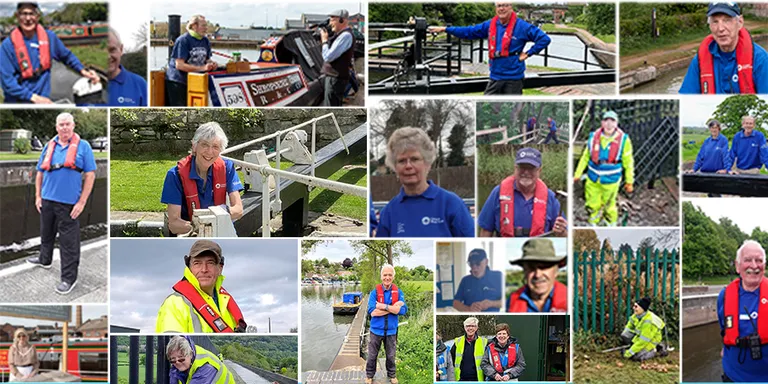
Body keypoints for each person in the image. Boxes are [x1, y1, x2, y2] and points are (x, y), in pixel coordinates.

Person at [26, 113, 96, 294]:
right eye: (61, 124)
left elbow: (90, 175)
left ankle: (68, 278)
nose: (64, 127)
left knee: (69, 243)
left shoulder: (83, 147)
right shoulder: (50, 146)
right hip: (47, 199)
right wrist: (38, 196)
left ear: (73, 126)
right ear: (56, 127)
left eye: (67, 124)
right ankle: (44, 259)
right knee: (46, 233)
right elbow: (40, 173)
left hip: (69, 204)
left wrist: (82, 202)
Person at [427, 2, 550, 95]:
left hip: (513, 77)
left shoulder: (523, 26)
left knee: (512, 108)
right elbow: (469, 32)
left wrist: (529, 53)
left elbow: (544, 39)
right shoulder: (490, 25)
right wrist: (446, 29)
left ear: (511, 7)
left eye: (505, 5)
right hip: (495, 75)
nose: (501, 9)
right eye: (499, 6)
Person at [375, 127, 474, 237]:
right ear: (395, 167)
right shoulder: (389, 213)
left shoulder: (451, 204)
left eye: (414, 159)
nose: (408, 166)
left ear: (427, 163)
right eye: (402, 161)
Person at [0, 2, 99, 103]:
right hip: (18, 102)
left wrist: (83, 70)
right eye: (24, 14)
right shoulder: (7, 46)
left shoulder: (50, 38)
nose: (28, 18)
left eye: (32, 14)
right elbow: (7, 82)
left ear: (37, 16)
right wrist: (34, 98)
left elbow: (67, 56)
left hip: (44, 99)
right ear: (17, 16)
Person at [161, 122, 244, 235]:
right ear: (194, 146)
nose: (209, 152)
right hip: (188, 234)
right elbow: (174, 224)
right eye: (205, 145)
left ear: (221, 150)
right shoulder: (174, 175)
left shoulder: (227, 168)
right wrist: (201, 226)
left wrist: (211, 221)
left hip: (219, 230)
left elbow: (238, 209)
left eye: (215, 147)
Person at [156, 240, 247, 333]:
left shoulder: (226, 302)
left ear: (220, 268)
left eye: (210, 263)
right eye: (197, 263)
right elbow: (174, 344)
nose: (204, 269)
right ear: (189, 268)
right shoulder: (174, 303)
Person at [679, 2, 768, 94]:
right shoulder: (700, 60)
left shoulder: (761, 60)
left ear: (740, 22)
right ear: (710, 26)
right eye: (715, 22)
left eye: (727, 20)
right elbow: (685, 98)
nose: (720, 28)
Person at [478, 147, 567, 237]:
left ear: (539, 171)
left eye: (531, 168)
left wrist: (562, 232)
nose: (526, 172)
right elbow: (486, 230)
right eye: (522, 167)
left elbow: (565, 235)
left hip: (536, 248)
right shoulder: (498, 192)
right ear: (515, 168)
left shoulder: (550, 197)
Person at [717, 240, 768, 382]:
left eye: (759, 260)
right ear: (738, 266)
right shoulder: (725, 296)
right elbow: (724, 328)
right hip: (733, 376)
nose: (754, 265)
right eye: (747, 260)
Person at [573, 110, 634, 226]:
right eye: (606, 120)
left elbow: (628, 162)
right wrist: (577, 174)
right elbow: (585, 157)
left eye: (612, 121)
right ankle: (593, 223)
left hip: (611, 179)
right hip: (593, 178)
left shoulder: (624, 140)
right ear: (602, 123)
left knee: (609, 205)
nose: (609, 124)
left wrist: (629, 181)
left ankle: (611, 225)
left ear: (616, 124)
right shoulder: (593, 137)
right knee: (592, 203)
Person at [366, 264, 407, 384]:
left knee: (391, 356)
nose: (387, 277)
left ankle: (392, 375)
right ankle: (369, 375)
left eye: (390, 275)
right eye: (385, 275)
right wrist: (393, 308)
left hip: (391, 331)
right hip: (375, 330)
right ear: (381, 276)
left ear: (393, 277)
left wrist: (383, 306)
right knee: (372, 355)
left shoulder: (398, 292)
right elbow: (372, 312)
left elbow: (403, 310)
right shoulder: (374, 293)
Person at [165, 15, 217, 106]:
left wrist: (212, 64)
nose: (206, 28)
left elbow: (207, 59)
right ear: (194, 26)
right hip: (178, 81)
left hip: (195, 80)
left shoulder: (205, 41)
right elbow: (179, 65)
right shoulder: (183, 40)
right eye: (203, 26)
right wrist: (202, 68)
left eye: (206, 25)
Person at [507, 238, 567, 313]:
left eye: (544, 267)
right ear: (524, 271)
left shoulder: (571, 300)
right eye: (531, 268)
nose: (537, 275)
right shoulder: (511, 301)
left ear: (556, 271)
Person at [320, 9, 355, 106]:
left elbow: (328, 57)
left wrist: (324, 41)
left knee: (330, 106)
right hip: (335, 77)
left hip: (335, 78)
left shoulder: (345, 36)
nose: (330, 23)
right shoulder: (341, 35)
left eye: (332, 20)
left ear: (341, 20)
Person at [167, 335, 235, 384]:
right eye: (172, 360)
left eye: (181, 359)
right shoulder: (178, 366)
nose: (177, 362)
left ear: (190, 354)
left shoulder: (206, 367)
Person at [107, 28, 147, 106]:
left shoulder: (140, 85)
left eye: (112, 50)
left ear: (121, 49)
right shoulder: (81, 85)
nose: (107, 56)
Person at [620, 297, 666, 361]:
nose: (633, 308)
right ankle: (636, 348)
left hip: (650, 341)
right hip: (641, 338)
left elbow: (643, 340)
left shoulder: (648, 321)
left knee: (637, 357)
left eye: (636, 306)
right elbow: (627, 330)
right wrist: (632, 344)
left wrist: (629, 353)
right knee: (625, 334)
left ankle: (655, 349)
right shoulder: (635, 316)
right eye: (634, 306)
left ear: (642, 309)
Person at [450, 317, 487, 382]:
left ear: (476, 328)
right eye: (468, 326)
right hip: (461, 379)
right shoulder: (457, 342)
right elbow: (450, 361)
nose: (470, 328)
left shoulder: (484, 342)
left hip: (478, 379)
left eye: (473, 326)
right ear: (464, 328)